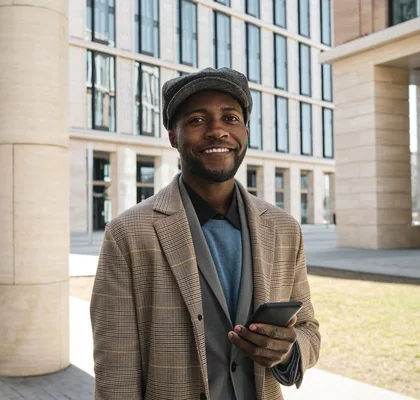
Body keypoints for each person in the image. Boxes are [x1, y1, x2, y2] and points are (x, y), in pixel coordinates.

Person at [90, 67, 320, 400]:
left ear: (245, 131)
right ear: (173, 136)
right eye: (198, 120)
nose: (217, 131)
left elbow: (308, 330)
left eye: (230, 118)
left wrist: (285, 351)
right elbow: (116, 373)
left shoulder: (284, 228)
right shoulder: (127, 234)